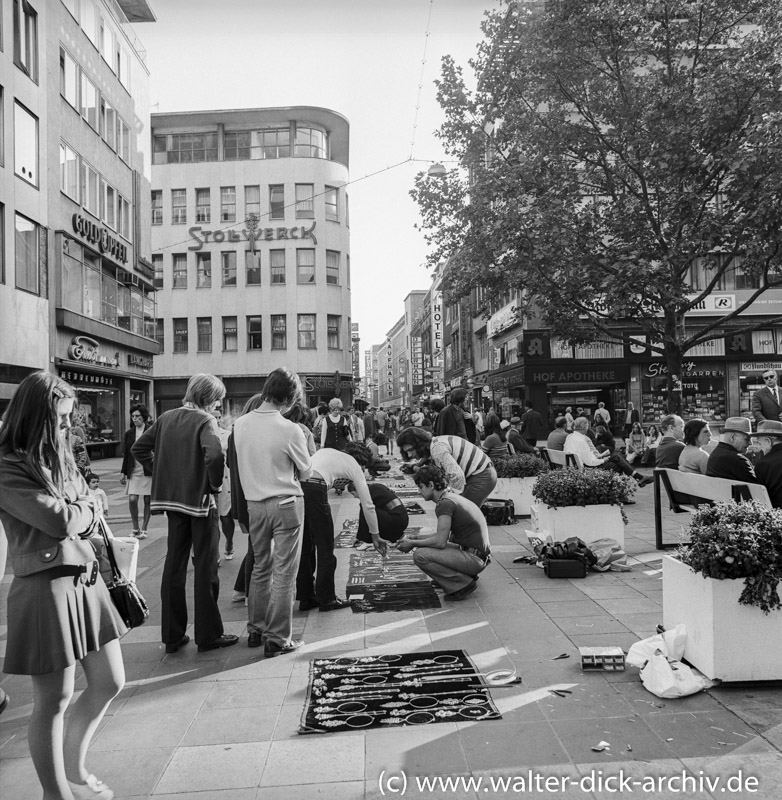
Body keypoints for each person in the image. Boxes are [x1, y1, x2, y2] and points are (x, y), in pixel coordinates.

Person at [0, 372, 126, 800]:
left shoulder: (60, 456)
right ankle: (57, 794)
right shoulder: (7, 464)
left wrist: (83, 505)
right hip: (44, 588)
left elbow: (84, 503)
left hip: (86, 580)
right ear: (37, 417)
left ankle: (73, 768)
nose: (69, 426)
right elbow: (57, 520)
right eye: (62, 418)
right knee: (54, 700)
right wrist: (85, 506)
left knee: (110, 680)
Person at [132, 374, 238, 654]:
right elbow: (215, 456)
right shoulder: (205, 420)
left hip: (172, 502)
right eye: (217, 398)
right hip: (201, 503)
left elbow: (139, 448)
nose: (219, 404)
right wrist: (214, 484)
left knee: (174, 567)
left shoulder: (166, 417)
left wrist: (162, 472)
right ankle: (208, 634)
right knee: (205, 567)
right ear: (207, 397)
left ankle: (172, 635)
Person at [233, 368, 312, 657]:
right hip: (286, 504)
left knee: (260, 567)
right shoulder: (289, 429)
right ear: (290, 398)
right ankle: (278, 638)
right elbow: (306, 472)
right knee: (284, 572)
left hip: (254, 505)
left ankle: (255, 628)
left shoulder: (240, 425)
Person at [297, 442, 387, 611]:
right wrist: (375, 535)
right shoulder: (353, 464)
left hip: (299, 488)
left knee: (305, 546)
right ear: (361, 462)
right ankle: (326, 598)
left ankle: (306, 597)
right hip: (316, 488)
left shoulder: (326, 451)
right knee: (325, 548)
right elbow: (368, 505)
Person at [397, 464, 490, 601]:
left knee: (420, 555)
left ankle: (461, 584)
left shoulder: (444, 504)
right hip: (478, 556)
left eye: (421, 487)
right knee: (425, 546)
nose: (418, 491)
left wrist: (412, 543)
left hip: (474, 559)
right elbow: (442, 536)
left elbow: (440, 542)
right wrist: (416, 537)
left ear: (431, 485)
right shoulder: (450, 497)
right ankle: (453, 577)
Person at [396, 426, 498, 507]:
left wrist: (451, 501)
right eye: (406, 452)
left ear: (419, 445)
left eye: (410, 450)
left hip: (482, 476)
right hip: (483, 473)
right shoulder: (435, 444)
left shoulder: (437, 449)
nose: (409, 455)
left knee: (462, 516)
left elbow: (456, 476)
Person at [565, 418, 653, 486]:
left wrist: (599, 456)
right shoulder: (581, 440)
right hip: (588, 467)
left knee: (616, 458)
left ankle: (638, 477)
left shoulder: (570, 437)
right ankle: (635, 480)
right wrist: (603, 460)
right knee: (617, 463)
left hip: (577, 466)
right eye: (587, 426)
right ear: (584, 427)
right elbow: (590, 462)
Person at [119, 404, 153, 540]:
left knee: (147, 499)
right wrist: (123, 472)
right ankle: (135, 527)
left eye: (138, 416)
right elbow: (127, 454)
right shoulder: (129, 434)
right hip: (133, 470)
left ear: (144, 417)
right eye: (133, 416)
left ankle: (144, 528)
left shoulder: (151, 430)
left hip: (148, 469)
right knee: (132, 499)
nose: (135, 418)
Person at [348, 480, 409, 547]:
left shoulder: (368, 493)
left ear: (358, 490)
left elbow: (366, 515)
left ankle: (368, 542)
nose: (355, 497)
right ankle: (397, 536)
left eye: (353, 494)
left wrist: (361, 537)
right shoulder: (375, 487)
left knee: (366, 510)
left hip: (396, 521)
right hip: (401, 520)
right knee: (369, 510)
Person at [211, 404, 235, 561]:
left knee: (226, 517)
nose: (217, 420)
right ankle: (215, 553)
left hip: (225, 479)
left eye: (219, 417)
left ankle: (229, 542)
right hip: (207, 480)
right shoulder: (202, 432)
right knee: (212, 519)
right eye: (214, 417)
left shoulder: (227, 435)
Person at [706, 417, 758, 483]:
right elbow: (759, 489)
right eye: (747, 439)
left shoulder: (716, 453)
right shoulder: (736, 460)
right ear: (732, 437)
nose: (751, 443)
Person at [754, 421, 782, 507]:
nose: (760, 448)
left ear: (768, 441)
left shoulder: (763, 464)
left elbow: (760, 499)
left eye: (759, 443)